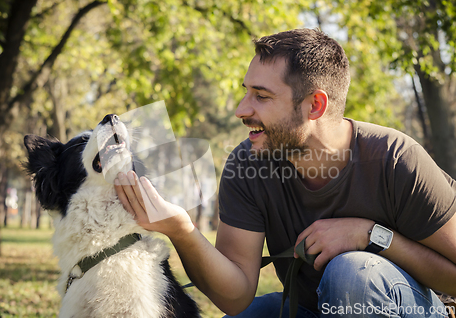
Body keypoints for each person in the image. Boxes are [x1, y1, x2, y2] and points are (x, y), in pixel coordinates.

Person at [114, 28, 456, 317]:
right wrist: (182, 231)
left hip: (410, 305)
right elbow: (235, 295)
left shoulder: (396, 160)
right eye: (246, 91)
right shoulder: (247, 163)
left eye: (261, 96)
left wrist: (372, 236)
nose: (241, 110)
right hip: (314, 308)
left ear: (315, 106)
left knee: (352, 273)